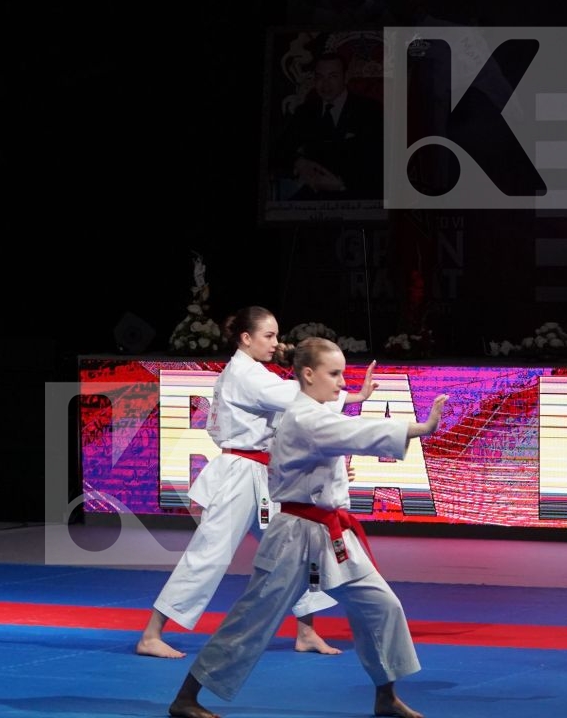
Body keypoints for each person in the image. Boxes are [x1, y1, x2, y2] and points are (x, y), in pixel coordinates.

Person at [168, 338, 447, 718]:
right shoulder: (305, 417)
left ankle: (385, 697)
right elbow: (357, 433)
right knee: (253, 618)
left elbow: (337, 425)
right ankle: (186, 697)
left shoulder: (313, 410)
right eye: (334, 374)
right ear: (308, 374)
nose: (340, 383)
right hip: (294, 536)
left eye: (342, 374)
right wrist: (421, 428)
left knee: (381, 606)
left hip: (332, 534)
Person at [137, 307, 378, 659]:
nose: (275, 343)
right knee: (210, 553)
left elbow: (290, 415)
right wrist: (354, 396)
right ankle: (151, 634)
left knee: (297, 550)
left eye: (276, 336)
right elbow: (298, 399)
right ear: (245, 338)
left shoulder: (251, 374)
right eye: (268, 336)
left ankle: (307, 631)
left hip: (264, 475)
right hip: (239, 475)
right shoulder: (245, 375)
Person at [270, 52, 384, 200]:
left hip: (357, 193)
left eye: (333, 76)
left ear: (346, 76)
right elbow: (278, 150)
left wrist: (342, 185)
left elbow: (378, 162)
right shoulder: (305, 112)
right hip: (313, 194)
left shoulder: (369, 110)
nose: (325, 84)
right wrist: (299, 162)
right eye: (320, 77)